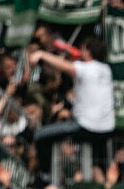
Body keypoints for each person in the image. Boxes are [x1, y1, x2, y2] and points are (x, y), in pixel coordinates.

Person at [29, 36, 115, 181]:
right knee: (97, 162)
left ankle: (44, 177)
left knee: (40, 135)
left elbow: (67, 67)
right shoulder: (106, 70)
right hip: (107, 128)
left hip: (86, 126)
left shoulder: (86, 68)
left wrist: (42, 54)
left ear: (87, 52)